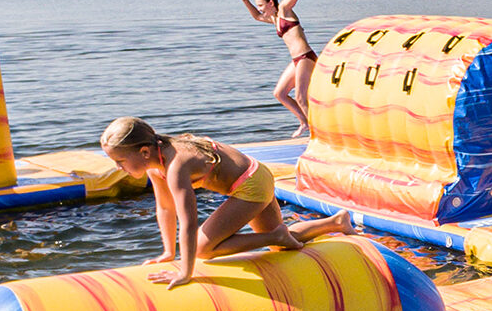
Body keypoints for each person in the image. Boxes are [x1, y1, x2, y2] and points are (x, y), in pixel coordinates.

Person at [100, 117, 352, 288]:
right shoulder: (156, 165)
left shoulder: (176, 165)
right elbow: (165, 208)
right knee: (280, 247)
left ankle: (274, 236)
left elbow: (188, 222)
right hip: (255, 175)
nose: (118, 167)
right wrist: (168, 253)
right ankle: (335, 222)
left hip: (250, 185)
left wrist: (185, 272)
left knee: (202, 248)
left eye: (120, 161)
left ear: (144, 152)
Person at [236, 0, 318, 137]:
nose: (259, 9)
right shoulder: (273, 19)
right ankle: (304, 122)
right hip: (296, 60)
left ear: (271, 3)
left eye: (261, 5)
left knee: (301, 97)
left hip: (305, 57)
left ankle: (318, 133)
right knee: (279, 93)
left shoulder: (284, 10)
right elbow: (257, 17)